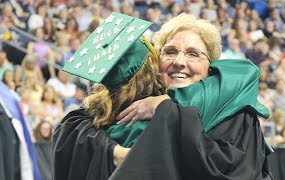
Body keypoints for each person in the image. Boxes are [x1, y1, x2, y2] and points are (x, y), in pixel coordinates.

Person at [52, 13, 273, 180]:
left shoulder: (233, 112)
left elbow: (233, 169)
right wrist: (113, 152)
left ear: (211, 66)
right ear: (158, 62)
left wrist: (168, 109)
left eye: (193, 54)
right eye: (169, 51)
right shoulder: (138, 105)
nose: (179, 61)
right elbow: (73, 128)